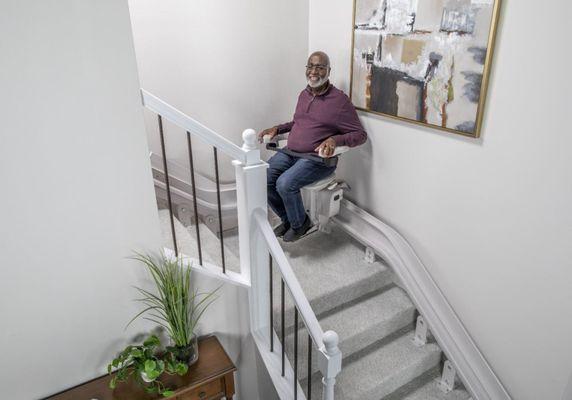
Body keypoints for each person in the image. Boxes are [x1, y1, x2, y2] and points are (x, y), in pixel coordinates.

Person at [258, 51, 368, 242]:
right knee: (264, 178)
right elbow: (298, 123)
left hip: (317, 160)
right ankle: (289, 219)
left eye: (319, 67)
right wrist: (278, 128)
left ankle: (301, 224)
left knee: (284, 184)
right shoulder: (304, 94)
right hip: (291, 153)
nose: (314, 71)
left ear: (328, 71)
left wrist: (336, 140)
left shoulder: (339, 101)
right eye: (310, 66)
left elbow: (360, 135)